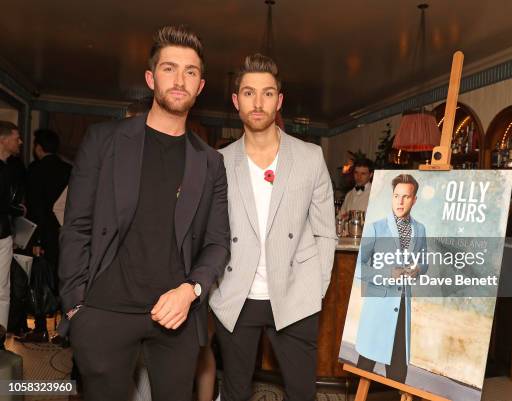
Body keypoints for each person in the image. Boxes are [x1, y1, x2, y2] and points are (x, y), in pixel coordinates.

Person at [58, 25, 230, 401]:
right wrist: (76, 307)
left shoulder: (210, 162)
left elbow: (218, 243)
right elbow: (76, 227)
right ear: (151, 78)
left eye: (191, 71)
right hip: (104, 312)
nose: (180, 79)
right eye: (170, 68)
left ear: (201, 86)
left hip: (177, 318)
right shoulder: (104, 141)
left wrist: (191, 290)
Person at [209, 53, 336, 401]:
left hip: (295, 293)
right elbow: (210, 233)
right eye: (249, 92)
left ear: (279, 100)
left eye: (267, 93)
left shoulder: (310, 157)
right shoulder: (218, 163)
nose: (258, 102)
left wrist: (317, 285)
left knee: (301, 392)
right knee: (235, 391)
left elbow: (326, 229)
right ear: (236, 101)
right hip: (236, 294)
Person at [355, 173, 428, 382]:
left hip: (402, 305)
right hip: (377, 306)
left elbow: (424, 262)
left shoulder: (420, 229)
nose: (400, 201)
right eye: (396, 196)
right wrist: (387, 274)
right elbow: (359, 267)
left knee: (397, 370)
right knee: (365, 367)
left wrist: (418, 270)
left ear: (414, 199)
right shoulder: (376, 228)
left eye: (406, 197)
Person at [17, 129, 71, 343]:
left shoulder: (34, 170)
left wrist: (36, 240)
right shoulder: (69, 169)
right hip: (65, 234)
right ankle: (65, 330)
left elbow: (35, 208)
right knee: (64, 282)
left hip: (43, 234)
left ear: (38, 148)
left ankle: (40, 328)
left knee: (39, 281)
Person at [0, 121, 25, 344]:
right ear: (3, 140)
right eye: (16, 137)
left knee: (3, 289)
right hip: (3, 233)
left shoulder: (12, 167)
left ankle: (1, 339)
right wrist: (16, 208)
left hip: (4, 235)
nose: (20, 142)